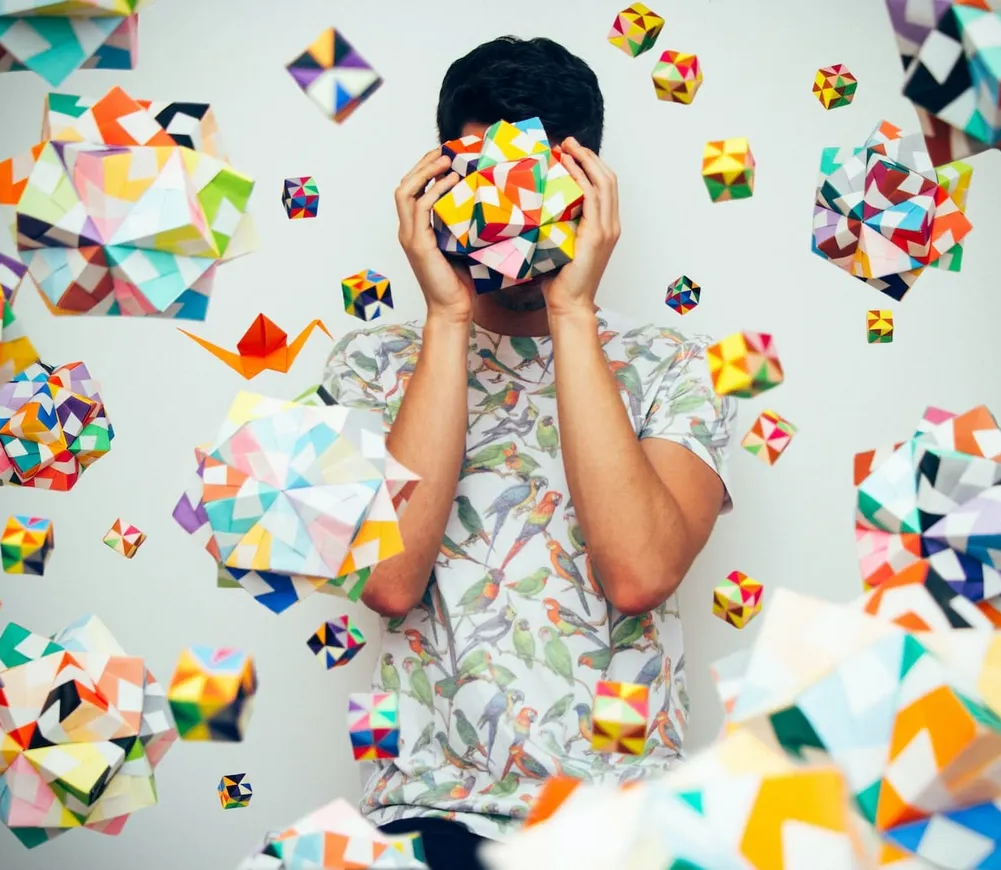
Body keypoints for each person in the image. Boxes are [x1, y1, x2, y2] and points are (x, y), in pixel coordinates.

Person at [323, 35, 736, 870]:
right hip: (428, 812)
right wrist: (446, 317)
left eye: (536, 183)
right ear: (440, 180)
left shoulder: (673, 364)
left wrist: (573, 312)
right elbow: (389, 581)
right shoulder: (365, 365)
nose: (511, 212)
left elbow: (640, 573)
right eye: (485, 181)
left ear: (587, 190)